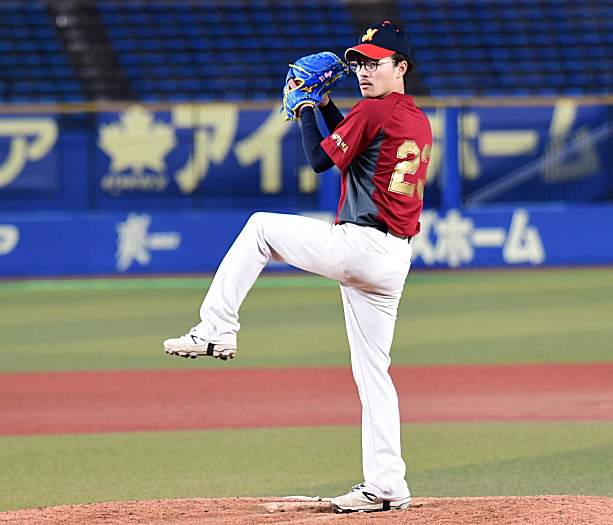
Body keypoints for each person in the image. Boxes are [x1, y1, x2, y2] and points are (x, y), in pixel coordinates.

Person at [163, 21, 432, 514]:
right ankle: (387, 484)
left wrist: (307, 106)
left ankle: (216, 328)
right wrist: (325, 105)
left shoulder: (374, 109)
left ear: (401, 67)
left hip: (361, 245)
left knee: (260, 228)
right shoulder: (411, 116)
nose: (363, 70)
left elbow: (320, 160)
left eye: (375, 63)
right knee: (374, 374)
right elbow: (356, 145)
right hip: (394, 259)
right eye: (359, 62)